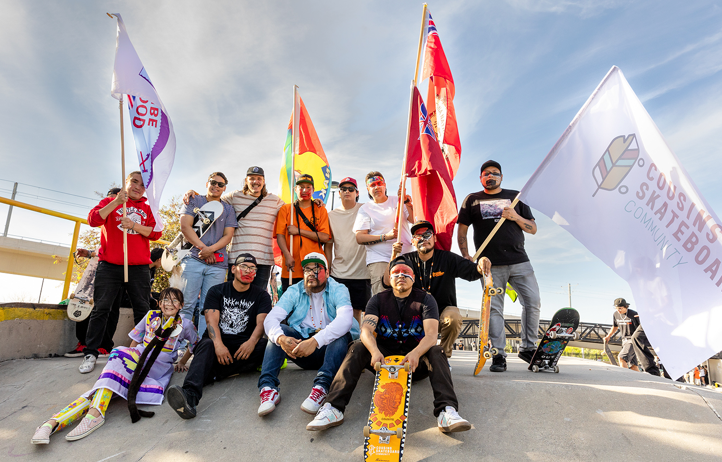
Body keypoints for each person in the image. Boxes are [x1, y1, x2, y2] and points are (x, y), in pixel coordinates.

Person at [306, 256, 471, 433]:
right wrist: (375, 351)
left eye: (406, 272)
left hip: (414, 364)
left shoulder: (426, 300)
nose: (401, 275)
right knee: (357, 347)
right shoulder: (377, 300)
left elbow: (431, 335)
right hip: (383, 362)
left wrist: (416, 353)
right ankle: (333, 408)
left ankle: (447, 411)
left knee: (437, 351)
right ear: (389, 278)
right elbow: (366, 331)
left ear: (413, 277)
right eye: (396, 272)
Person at [31, 288, 196, 444]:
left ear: (181, 305)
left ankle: (55, 422)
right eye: (165, 299)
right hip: (136, 360)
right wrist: (128, 363)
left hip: (156, 370)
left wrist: (182, 361)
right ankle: (57, 423)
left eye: (175, 301)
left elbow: (194, 344)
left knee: (112, 368)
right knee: (114, 363)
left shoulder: (185, 324)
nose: (169, 303)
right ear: (159, 303)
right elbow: (136, 340)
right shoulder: (151, 315)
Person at [457, 160, 540, 372]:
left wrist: (515, 216)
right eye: (486, 174)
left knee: (532, 302)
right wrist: (465, 254)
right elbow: (463, 230)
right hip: (490, 264)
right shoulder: (472, 199)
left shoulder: (516, 197)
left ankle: (528, 348)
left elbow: (532, 228)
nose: (490, 176)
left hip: (520, 260)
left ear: (501, 177)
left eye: (495, 173)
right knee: (494, 309)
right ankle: (499, 355)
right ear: (481, 178)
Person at [167, 253, 271, 419]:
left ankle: (212, 373)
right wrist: (219, 345)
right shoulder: (217, 291)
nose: (248, 271)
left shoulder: (262, 295)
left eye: (252, 268)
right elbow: (211, 322)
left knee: (265, 346)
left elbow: (262, 323)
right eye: (244, 266)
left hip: (242, 348)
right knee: (207, 344)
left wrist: (251, 342)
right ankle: (189, 396)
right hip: (216, 345)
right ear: (234, 269)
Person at [80, 171, 163, 374]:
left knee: (143, 309)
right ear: (126, 182)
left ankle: (145, 352)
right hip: (110, 264)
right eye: (134, 181)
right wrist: (116, 202)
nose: (137, 187)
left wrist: (134, 225)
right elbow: (93, 220)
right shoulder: (110, 200)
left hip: (138, 266)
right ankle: (91, 352)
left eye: (142, 185)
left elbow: (156, 232)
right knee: (102, 309)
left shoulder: (148, 206)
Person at [258, 252, 359, 416]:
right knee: (279, 331)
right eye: (307, 269)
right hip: (300, 351)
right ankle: (268, 388)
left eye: (316, 269)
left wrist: (315, 341)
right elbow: (270, 319)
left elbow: (345, 320)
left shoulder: (338, 289)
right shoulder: (295, 291)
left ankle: (321, 387)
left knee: (341, 332)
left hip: (333, 352)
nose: (311, 273)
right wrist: (281, 339)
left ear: (327, 273)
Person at [385, 220, 491, 359]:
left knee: (452, 317)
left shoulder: (447, 258)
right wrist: (394, 257)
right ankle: (408, 354)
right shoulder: (406, 260)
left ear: (434, 238)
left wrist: (482, 262)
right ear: (413, 241)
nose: (424, 239)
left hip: (441, 313)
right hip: (413, 317)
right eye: (419, 236)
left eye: (428, 234)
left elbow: (472, 272)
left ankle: (442, 357)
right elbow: (387, 283)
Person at [66, 246, 164, 358]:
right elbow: (111, 250)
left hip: (128, 286)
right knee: (96, 306)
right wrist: (89, 253)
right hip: (113, 275)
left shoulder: (148, 268)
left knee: (115, 309)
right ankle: (86, 344)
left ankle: (106, 346)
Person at [178, 172, 236, 337]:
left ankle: (205, 346)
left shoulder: (228, 209)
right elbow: (185, 226)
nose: (216, 186)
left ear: (224, 188)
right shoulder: (194, 200)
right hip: (192, 259)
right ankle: (180, 344)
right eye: (213, 182)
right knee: (186, 304)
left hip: (217, 265)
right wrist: (204, 248)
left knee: (209, 307)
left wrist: (211, 250)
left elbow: (228, 235)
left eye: (220, 184)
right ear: (207, 183)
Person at [353, 171, 413, 295]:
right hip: (379, 258)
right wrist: (386, 237)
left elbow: (414, 219)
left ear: (385, 185)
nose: (376, 187)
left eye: (379, 183)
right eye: (372, 185)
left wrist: (406, 201)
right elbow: (360, 237)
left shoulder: (398, 200)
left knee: (406, 295)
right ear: (368, 189)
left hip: (405, 256)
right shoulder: (365, 209)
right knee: (383, 296)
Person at [324, 177, 370, 324]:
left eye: (351, 189)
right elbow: (329, 245)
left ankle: (355, 342)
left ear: (357, 192)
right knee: (340, 309)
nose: (347, 192)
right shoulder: (331, 215)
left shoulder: (366, 209)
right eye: (343, 189)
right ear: (339, 193)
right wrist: (328, 268)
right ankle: (342, 342)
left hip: (362, 272)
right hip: (339, 271)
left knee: (357, 310)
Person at [276, 174, 331, 292]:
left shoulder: (320, 209)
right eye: (301, 187)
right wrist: (287, 255)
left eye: (308, 187)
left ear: (313, 190)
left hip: (314, 266)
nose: (304, 190)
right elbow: (280, 235)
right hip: (291, 266)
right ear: (295, 189)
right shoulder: (286, 209)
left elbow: (325, 237)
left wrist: (298, 231)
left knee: (315, 304)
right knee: (290, 304)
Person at [603, 298, 640, 371]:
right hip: (624, 341)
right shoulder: (615, 314)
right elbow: (615, 326)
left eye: (620, 308)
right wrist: (608, 336)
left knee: (621, 357)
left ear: (626, 306)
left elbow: (642, 328)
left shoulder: (634, 314)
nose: (618, 310)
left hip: (633, 340)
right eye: (616, 308)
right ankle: (640, 380)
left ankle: (625, 377)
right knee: (633, 365)